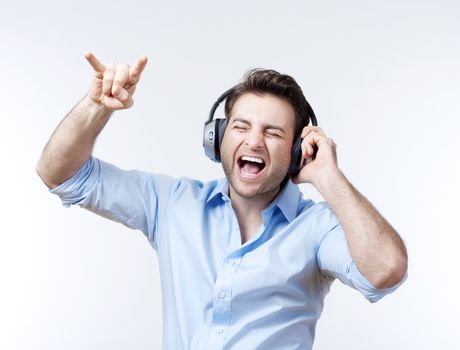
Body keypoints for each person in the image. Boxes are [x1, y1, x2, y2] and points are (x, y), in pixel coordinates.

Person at [36, 53, 408, 350]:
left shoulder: (316, 227)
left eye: (273, 133)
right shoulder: (171, 203)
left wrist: (329, 176)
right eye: (241, 126)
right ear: (217, 138)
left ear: (296, 151)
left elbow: (386, 270)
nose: (254, 141)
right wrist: (95, 106)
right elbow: (60, 173)